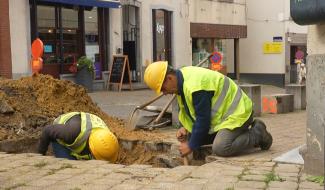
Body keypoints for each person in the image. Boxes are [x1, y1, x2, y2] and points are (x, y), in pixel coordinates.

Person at [144, 61, 273, 157]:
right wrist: (185, 128)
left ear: (170, 78)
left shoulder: (195, 86)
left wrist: (191, 145)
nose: (165, 93)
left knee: (221, 147)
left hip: (238, 113)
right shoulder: (182, 81)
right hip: (223, 119)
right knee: (194, 138)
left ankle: (257, 133)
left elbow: (203, 120)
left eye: (163, 89)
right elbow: (191, 112)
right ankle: (239, 136)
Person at [38, 112, 119, 162]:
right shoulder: (71, 132)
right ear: (92, 150)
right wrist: (39, 158)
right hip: (61, 136)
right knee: (71, 166)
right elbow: (47, 130)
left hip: (82, 125)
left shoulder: (107, 136)